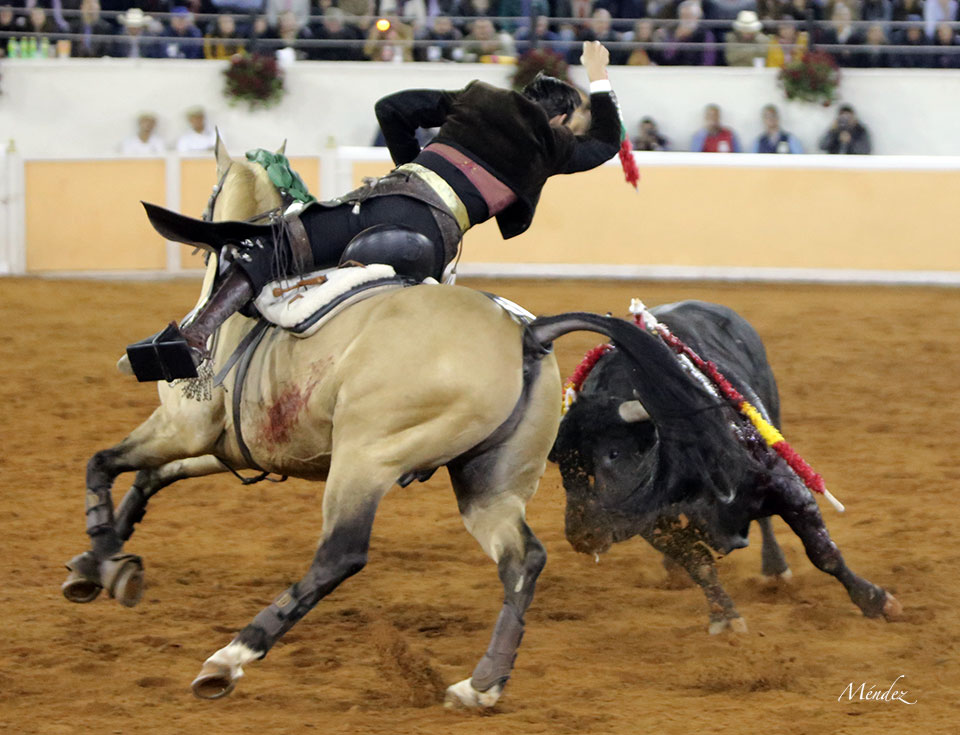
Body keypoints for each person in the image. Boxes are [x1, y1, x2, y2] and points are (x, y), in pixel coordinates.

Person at [132, 41, 622, 381]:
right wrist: (600, 77)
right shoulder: (553, 145)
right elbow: (605, 143)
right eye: (572, 122)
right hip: (438, 242)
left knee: (274, 244)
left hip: (390, 206)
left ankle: (194, 337)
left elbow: (392, 108)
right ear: (559, 117)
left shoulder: (478, 97)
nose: (572, 132)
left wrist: (411, 169)